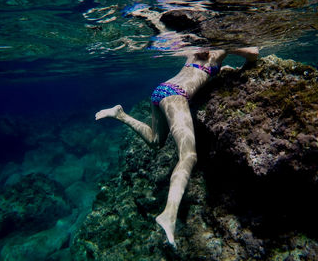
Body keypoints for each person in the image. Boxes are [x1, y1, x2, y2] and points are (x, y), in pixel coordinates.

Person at [95, 46, 259, 247]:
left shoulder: (194, 49)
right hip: (175, 95)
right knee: (189, 156)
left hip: (162, 90)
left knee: (156, 141)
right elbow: (253, 53)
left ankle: (120, 114)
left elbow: (199, 71)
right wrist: (234, 50)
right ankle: (169, 214)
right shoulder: (221, 47)